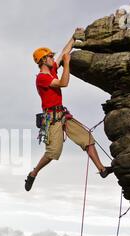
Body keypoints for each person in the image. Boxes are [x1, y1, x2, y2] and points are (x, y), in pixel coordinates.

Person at [25, 28, 113, 192]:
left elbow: (64, 52)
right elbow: (64, 83)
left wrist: (73, 37)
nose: (53, 58)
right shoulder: (42, 78)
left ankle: (102, 169)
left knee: (87, 138)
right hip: (52, 119)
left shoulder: (50, 70)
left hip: (62, 114)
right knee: (53, 153)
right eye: (50, 56)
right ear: (43, 60)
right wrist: (67, 64)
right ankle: (33, 173)